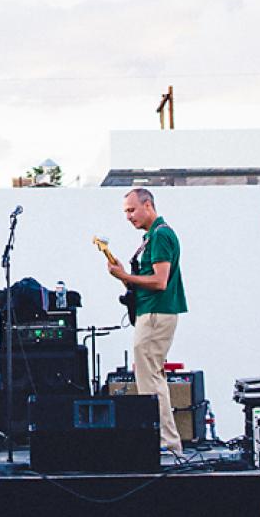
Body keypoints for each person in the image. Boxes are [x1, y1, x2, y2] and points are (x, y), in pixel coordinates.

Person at [105, 187, 188, 456]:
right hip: (152, 312)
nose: (128, 216)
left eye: (131, 210)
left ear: (148, 205)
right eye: (125, 212)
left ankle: (166, 442)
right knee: (152, 378)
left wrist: (124, 277)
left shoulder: (161, 235)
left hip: (155, 313)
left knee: (150, 380)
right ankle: (166, 441)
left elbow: (159, 281)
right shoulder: (153, 236)